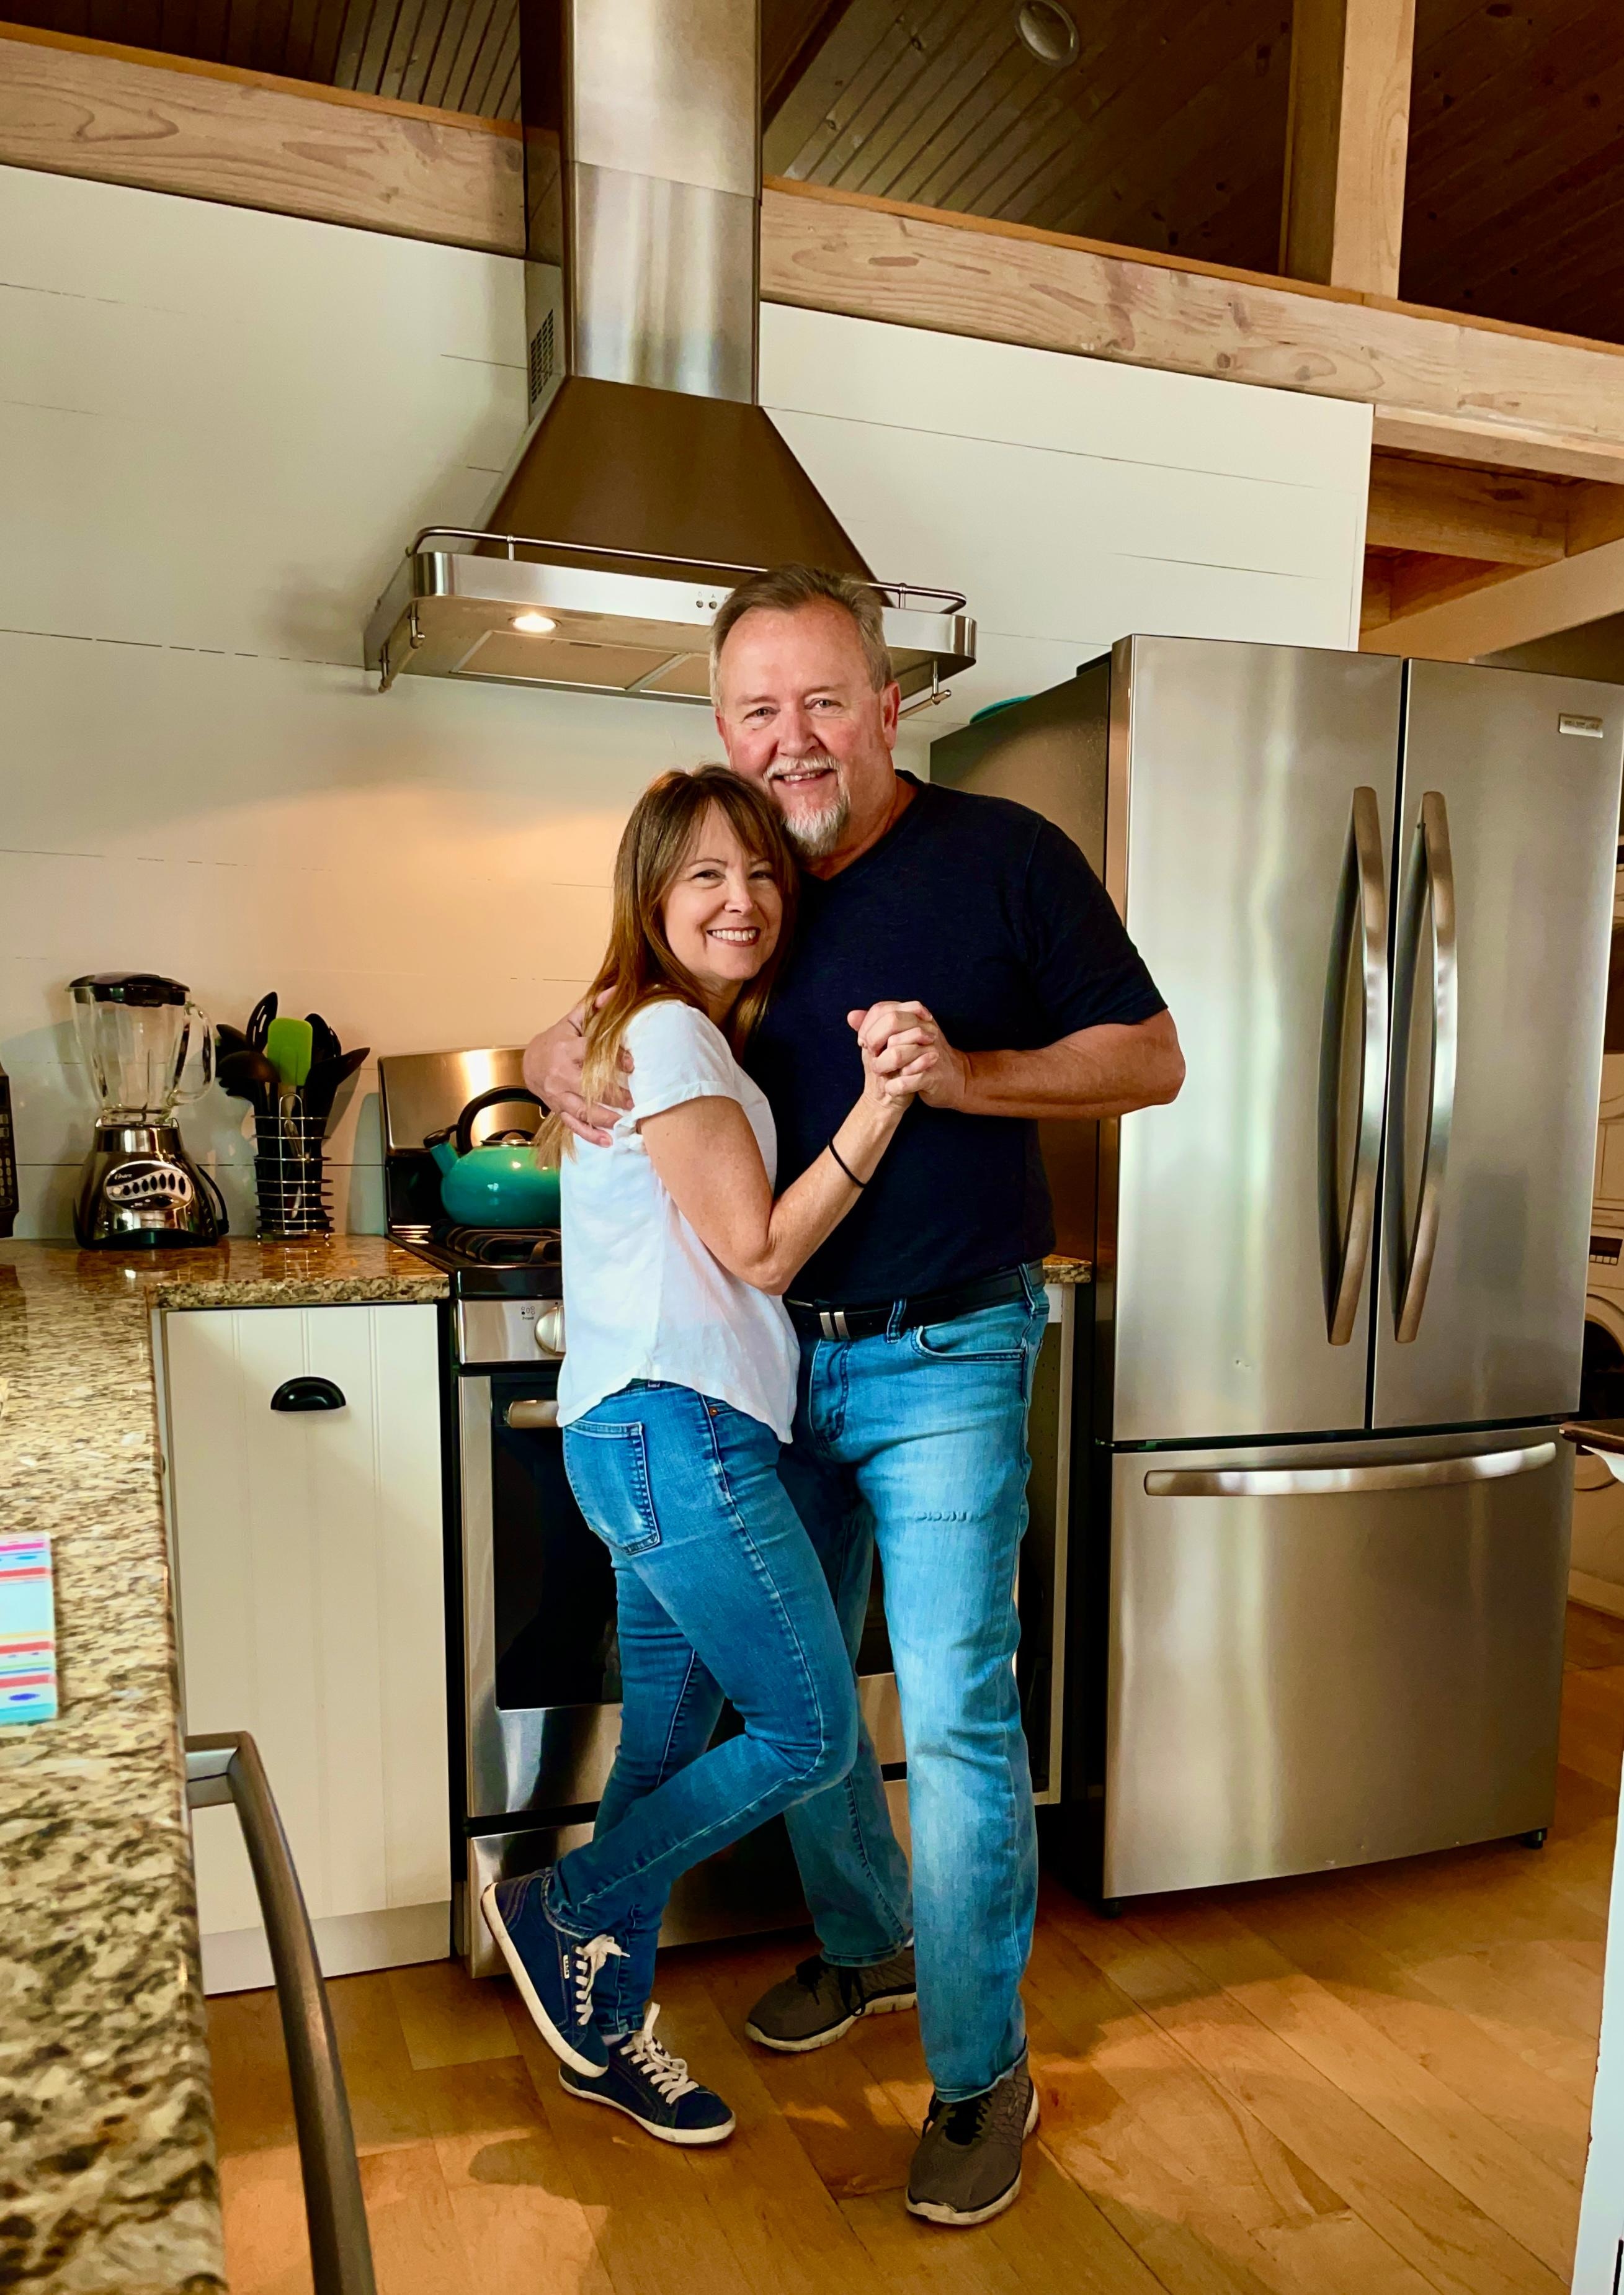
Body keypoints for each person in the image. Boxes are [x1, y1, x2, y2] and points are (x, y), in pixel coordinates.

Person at [529, 566, 1184, 2224]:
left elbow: (1149, 1055)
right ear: (722, 728)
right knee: (803, 1699)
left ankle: (980, 2072)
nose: (794, 738)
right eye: (759, 710)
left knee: (950, 1711)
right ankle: (867, 1942)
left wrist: (966, 1074)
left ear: (891, 706)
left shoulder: (1003, 855)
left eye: (823, 700)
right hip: (763, 1370)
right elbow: (630, 1004)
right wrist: (546, 1049)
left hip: (948, 1347)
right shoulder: (743, 883)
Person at [486, 763, 935, 2149]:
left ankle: (604, 2024)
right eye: (703, 876)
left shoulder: (657, 1030)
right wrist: (884, 1101)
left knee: (665, 1744)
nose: (740, 899)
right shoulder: (672, 1033)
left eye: (757, 874)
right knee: (807, 1731)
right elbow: (761, 1249)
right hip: (676, 1433)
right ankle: (555, 1908)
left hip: (650, 1434)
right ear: (651, 896)